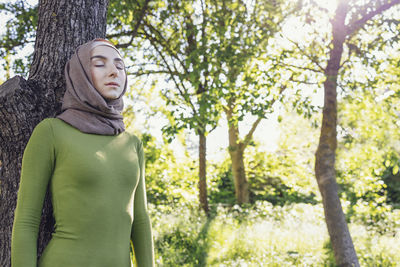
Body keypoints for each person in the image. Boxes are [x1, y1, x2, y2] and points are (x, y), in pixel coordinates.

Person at [11, 38, 155, 267]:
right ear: (80, 74)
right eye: (100, 64)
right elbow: (27, 221)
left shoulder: (132, 144)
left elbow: (140, 221)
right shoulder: (51, 132)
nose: (113, 72)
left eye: (120, 66)